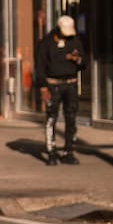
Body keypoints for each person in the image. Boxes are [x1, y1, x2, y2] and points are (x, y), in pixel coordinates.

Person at [35, 13, 86, 165]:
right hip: (53, 84)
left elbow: (84, 62)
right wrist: (43, 87)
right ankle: (51, 152)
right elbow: (40, 66)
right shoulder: (47, 43)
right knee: (51, 117)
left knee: (71, 116)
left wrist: (78, 59)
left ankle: (68, 151)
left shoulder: (75, 40)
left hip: (71, 83)